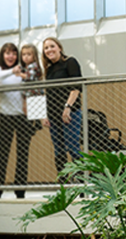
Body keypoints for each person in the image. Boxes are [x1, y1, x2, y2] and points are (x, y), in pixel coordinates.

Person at [0, 42, 35, 199]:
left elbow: (34, 84)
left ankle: (20, 190)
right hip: (5, 117)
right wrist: (12, 71)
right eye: (7, 53)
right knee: (2, 154)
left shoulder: (23, 71)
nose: (11, 56)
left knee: (23, 154)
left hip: (23, 118)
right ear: (3, 55)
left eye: (14, 53)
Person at [41, 37, 83, 179]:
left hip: (70, 114)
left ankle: (81, 184)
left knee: (73, 148)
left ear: (59, 47)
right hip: (53, 116)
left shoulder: (70, 62)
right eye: (46, 48)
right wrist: (43, 114)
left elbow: (76, 88)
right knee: (59, 150)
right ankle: (63, 184)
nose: (49, 50)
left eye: (52, 46)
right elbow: (47, 94)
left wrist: (67, 107)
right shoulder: (48, 70)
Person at [19, 43, 43, 134]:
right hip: (27, 94)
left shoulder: (33, 65)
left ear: (34, 56)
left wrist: (18, 74)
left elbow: (29, 77)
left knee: (32, 110)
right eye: (24, 54)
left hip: (33, 93)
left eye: (29, 54)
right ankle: (35, 124)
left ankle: (35, 124)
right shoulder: (25, 67)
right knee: (30, 112)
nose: (26, 57)